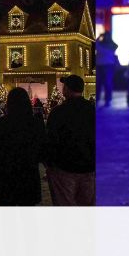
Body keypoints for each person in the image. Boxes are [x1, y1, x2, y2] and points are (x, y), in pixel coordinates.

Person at [0, 87, 45, 205]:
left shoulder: (1, 124)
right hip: (28, 174)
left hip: (5, 175)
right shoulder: (35, 124)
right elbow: (43, 148)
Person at [44, 75, 96, 205]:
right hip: (88, 167)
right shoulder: (92, 111)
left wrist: (50, 163)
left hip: (64, 168)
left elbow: (51, 140)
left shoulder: (58, 113)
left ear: (67, 89)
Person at [96, 31, 118, 107]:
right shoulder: (111, 45)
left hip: (104, 65)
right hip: (103, 66)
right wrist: (100, 36)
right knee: (103, 83)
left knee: (105, 83)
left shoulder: (111, 45)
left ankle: (106, 100)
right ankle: (104, 99)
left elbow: (95, 43)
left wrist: (100, 36)